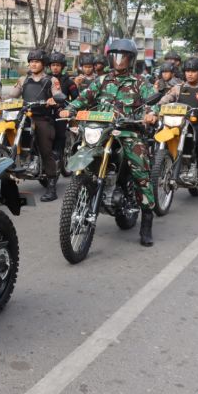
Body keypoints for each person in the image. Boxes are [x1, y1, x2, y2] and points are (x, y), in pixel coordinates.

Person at [60, 39, 158, 246]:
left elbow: (153, 104)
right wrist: (70, 108)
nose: (118, 60)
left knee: (141, 173)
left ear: (130, 59)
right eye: (115, 56)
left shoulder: (140, 82)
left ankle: (147, 221)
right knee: (81, 151)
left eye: (122, 56)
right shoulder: (102, 80)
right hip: (101, 131)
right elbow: (84, 98)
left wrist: (151, 114)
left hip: (128, 132)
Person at [151, 58, 198, 210]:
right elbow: (166, 99)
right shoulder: (178, 87)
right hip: (176, 124)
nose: (190, 74)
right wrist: (155, 108)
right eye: (187, 71)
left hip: (196, 126)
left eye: (193, 71)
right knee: (155, 140)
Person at [1, 49, 62, 202]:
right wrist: (0, 98)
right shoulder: (23, 80)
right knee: (6, 138)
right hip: (24, 117)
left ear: (43, 64)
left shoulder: (51, 80)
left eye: (37, 61)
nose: (33, 64)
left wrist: (53, 100)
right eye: (31, 61)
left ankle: (52, 186)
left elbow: (57, 94)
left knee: (45, 149)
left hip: (42, 119)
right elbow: (12, 95)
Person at [48, 51, 77, 173]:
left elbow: (76, 99)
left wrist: (68, 109)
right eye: (53, 65)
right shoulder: (46, 79)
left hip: (62, 112)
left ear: (63, 67)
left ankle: (57, 154)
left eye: (58, 65)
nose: (55, 67)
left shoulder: (69, 82)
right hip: (46, 111)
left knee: (60, 133)